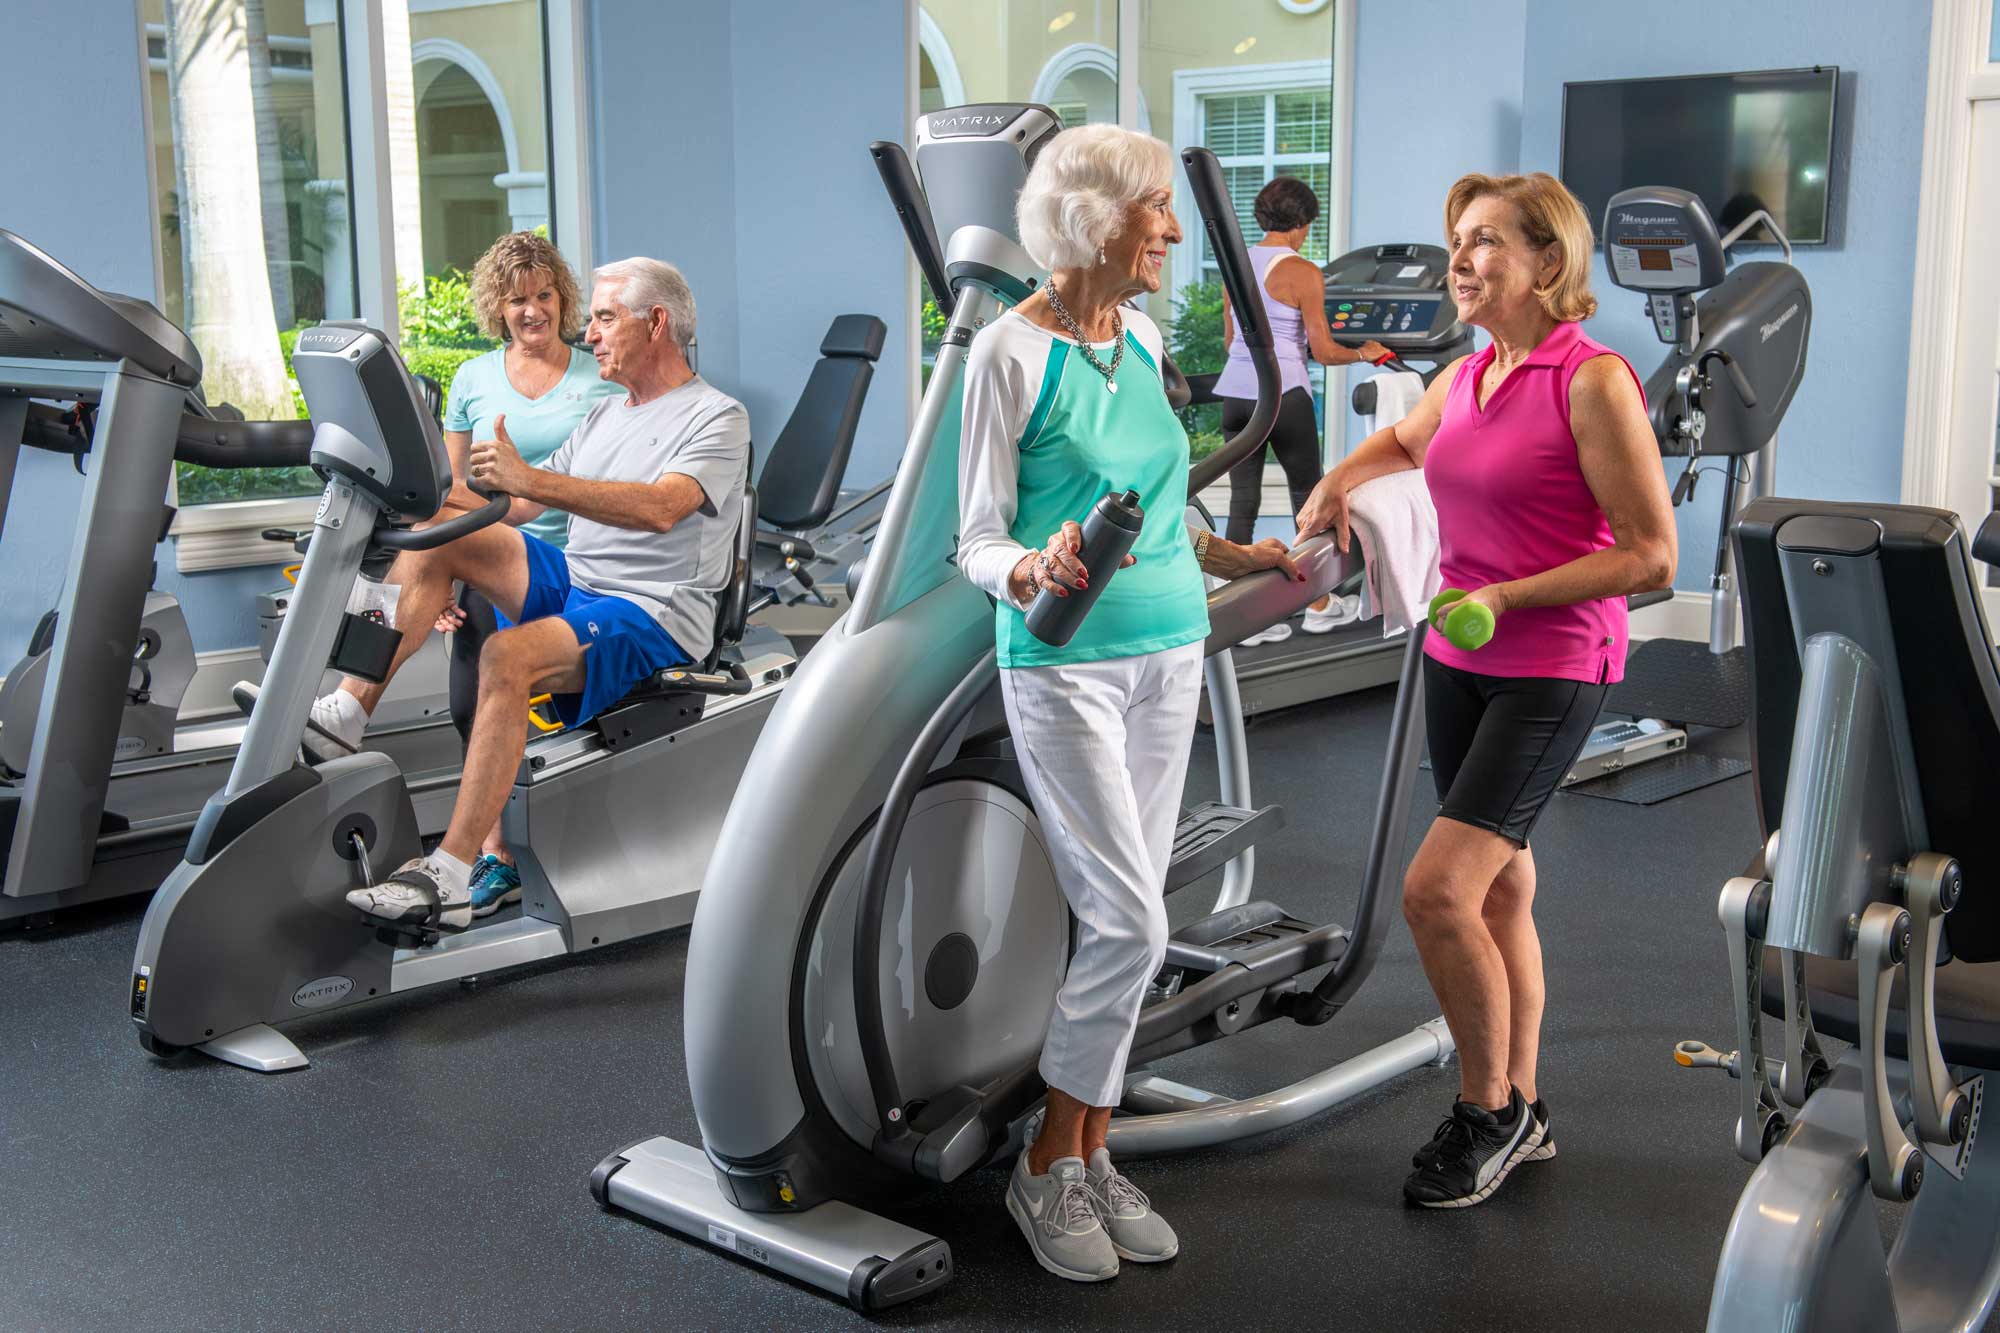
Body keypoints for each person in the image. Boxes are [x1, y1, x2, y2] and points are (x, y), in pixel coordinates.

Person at [958, 123, 1305, 1282]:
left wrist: (1237, 556)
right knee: (1132, 924)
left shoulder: (1143, 334)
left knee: (1131, 910)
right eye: (1156, 209)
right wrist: (1027, 567)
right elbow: (973, 538)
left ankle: (1094, 1156)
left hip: (1170, 650)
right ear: (1097, 220)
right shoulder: (1006, 354)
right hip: (1062, 662)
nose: (1171, 231)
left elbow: (1161, 506)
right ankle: (1046, 1161)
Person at [1295, 171, 1676, 1208]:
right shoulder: (1467, 374)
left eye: (1483, 244)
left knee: (1436, 891)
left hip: (1550, 666)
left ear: (1545, 263)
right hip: (1457, 661)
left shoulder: (1588, 380)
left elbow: (1650, 557)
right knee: (1501, 886)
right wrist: (1337, 480)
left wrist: (1504, 597)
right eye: (1455, 243)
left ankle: (1486, 1112)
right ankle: (1527, 1105)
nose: (1459, 262)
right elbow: (1403, 443)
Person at [292, 257, 749, 931]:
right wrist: (415, 495)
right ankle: (346, 718)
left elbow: (660, 507)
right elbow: (516, 507)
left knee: (505, 656)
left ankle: (448, 870)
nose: (588, 333)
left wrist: (527, 478)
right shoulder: (607, 416)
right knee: (446, 529)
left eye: (603, 317)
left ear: (656, 324)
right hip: (578, 576)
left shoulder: (717, 416)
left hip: (650, 610)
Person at [429, 231, 622, 919]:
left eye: (544, 296)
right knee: (468, 705)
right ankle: (494, 855)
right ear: (497, 307)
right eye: (517, 300)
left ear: (562, 298)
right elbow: (455, 489)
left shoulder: (599, 373)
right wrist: (451, 578)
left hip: (579, 561)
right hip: (493, 558)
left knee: (572, 710)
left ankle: (587, 845)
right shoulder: (472, 380)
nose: (532, 311)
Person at [1215, 176, 1392, 645]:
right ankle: (1316, 606)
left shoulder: (1235, 263)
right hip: (1283, 396)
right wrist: (1366, 352)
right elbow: (1326, 350)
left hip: (1234, 396)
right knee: (1309, 502)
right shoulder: (1302, 271)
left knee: (1242, 504)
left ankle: (1244, 621)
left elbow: (1231, 340)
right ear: (1305, 223)